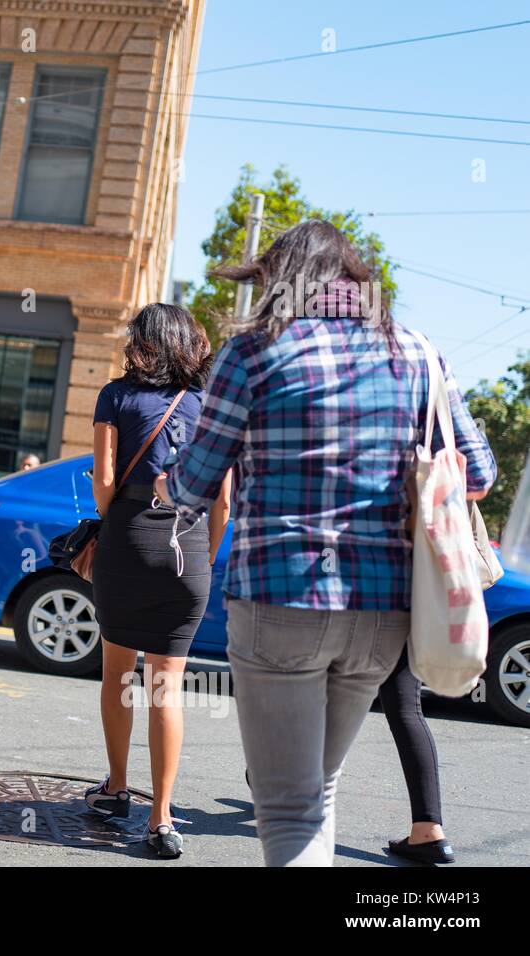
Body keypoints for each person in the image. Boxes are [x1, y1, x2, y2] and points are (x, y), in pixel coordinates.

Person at [156, 220, 496, 866]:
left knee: (287, 810)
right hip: (382, 616)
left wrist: (163, 485)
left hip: (279, 599)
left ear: (282, 280)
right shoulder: (418, 353)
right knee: (318, 788)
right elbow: (477, 474)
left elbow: (196, 483)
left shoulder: (253, 353)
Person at [85, 303, 229, 859]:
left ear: (142, 343)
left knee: (118, 673)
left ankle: (117, 788)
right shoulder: (209, 405)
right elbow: (224, 501)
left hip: (127, 545)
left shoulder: (115, 396)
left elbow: (103, 481)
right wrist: (206, 558)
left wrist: (120, 506)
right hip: (188, 554)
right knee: (167, 687)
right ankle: (162, 818)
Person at [378, 649, 454, 863]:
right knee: (406, 711)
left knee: (322, 695)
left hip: (342, 621)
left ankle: (295, 815)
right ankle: (427, 828)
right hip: (400, 621)